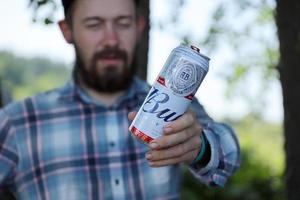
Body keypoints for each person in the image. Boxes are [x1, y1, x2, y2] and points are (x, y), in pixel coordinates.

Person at [0, 0, 240, 199]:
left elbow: (229, 159)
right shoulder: (17, 122)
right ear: (67, 30)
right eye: (94, 25)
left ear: (139, 27)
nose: (111, 40)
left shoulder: (177, 107)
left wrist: (200, 149)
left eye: (123, 24)